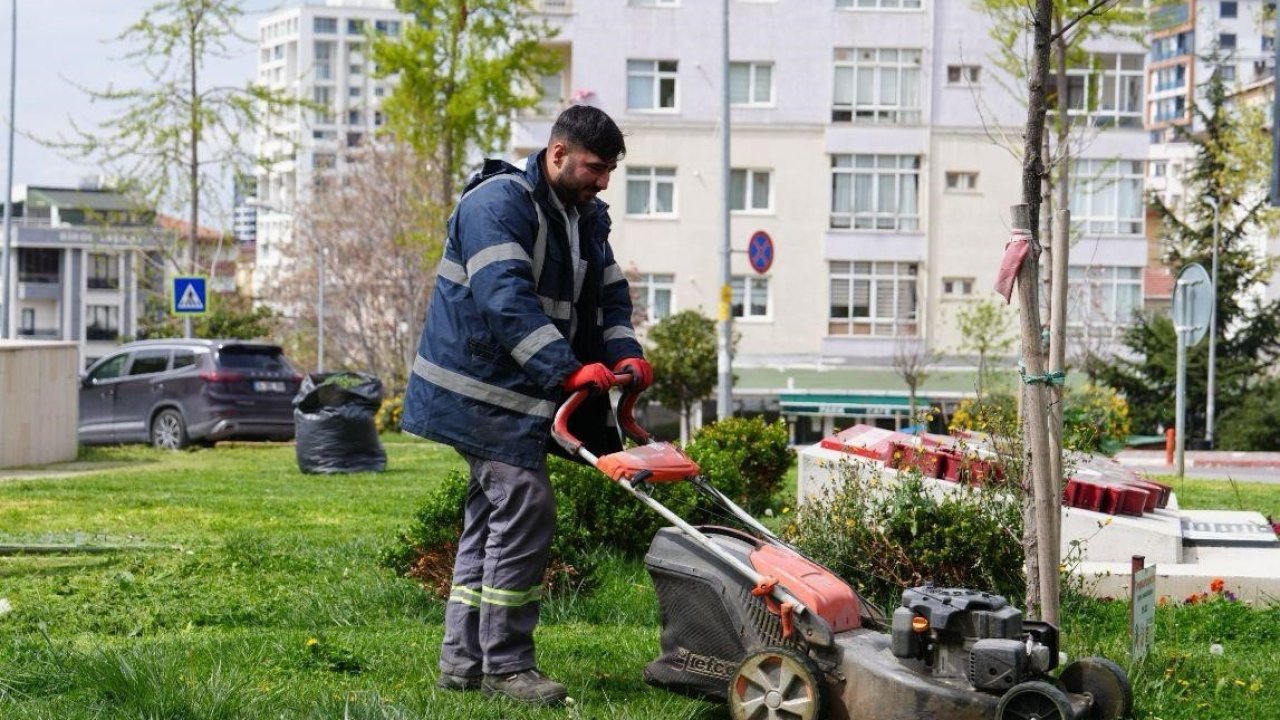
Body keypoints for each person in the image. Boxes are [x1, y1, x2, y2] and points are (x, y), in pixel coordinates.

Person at [401, 104, 652, 706]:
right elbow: (504, 300)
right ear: (558, 153)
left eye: (611, 171)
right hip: (478, 391)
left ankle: (463, 664)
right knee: (527, 505)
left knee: (491, 519)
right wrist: (567, 370)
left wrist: (626, 355)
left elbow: (609, 298)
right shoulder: (498, 204)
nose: (603, 182)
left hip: (520, 393)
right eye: (595, 167)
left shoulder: (583, 217)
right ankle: (507, 667)